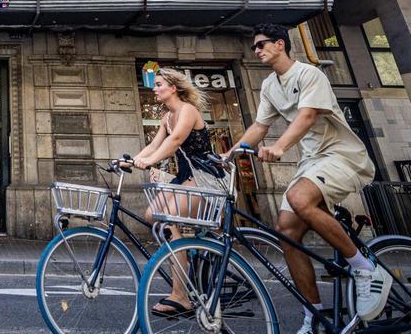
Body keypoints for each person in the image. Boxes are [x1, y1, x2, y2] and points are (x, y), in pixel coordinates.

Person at [235, 23, 391, 332]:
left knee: (298, 198)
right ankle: (315, 315)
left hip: (341, 156)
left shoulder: (309, 74)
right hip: (312, 162)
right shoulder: (269, 85)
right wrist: (230, 154)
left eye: (262, 44)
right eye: (254, 47)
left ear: (281, 44)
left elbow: (307, 116)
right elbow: (260, 126)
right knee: (286, 232)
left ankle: (366, 268)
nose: (257, 50)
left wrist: (280, 147)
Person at [132, 67, 226, 319]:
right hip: (185, 177)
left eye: (159, 84)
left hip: (204, 177)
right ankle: (188, 253)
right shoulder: (166, 117)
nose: (155, 88)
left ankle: (180, 295)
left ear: (173, 88)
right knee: (153, 214)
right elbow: (155, 144)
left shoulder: (187, 110)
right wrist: (132, 160)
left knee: (170, 218)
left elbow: (173, 143)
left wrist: (149, 161)